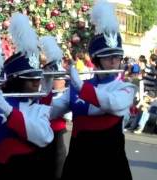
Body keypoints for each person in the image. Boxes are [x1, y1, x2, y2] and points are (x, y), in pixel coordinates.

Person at [50, 1, 136, 179]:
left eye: (117, 57)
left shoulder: (125, 87)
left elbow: (113, 103)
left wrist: (82, 88)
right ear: (97, 60)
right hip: (79, 164)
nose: (114, 62)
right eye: (108, 57)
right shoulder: (77, 87)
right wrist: (44, 87)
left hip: (111, 165)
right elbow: (51, 111)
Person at [0, 13, 54, 177]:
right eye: (30, 79)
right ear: (16, 80)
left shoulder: (39, 107)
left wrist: (10, 113)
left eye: (38, 78)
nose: (37, 83)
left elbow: (43, 137)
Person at [40, 36, 67, 180]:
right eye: (57, 77)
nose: (61, 80)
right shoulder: (40, 86)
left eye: (60, 77)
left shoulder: (64, 95)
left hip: (56, 132)